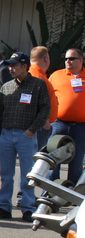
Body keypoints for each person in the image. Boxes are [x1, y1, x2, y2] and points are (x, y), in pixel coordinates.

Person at [0, 52, 50, 221]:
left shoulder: (38, 85)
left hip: (26, 135)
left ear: (24, 66)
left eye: (14, 65)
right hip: (7, 134)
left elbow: (45, 108)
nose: (11, 68)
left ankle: (28, 207)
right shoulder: (7, 86)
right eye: (10, 65)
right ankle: (4, 207)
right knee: (6, 174)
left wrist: (32, 130)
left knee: (28, 174)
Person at [48, 48, 85, 185]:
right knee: (53, 158)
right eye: (66, 59)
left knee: (77, 161)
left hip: (81, 126)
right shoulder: (56, 75)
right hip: (59, 123)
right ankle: (49, 190)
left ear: (81, 60)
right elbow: (46, 98)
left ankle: (73, 193)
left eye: (71, 59)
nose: (67, 61)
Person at [29, 46, 57, 149]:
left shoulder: (35, 73)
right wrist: (45, 123)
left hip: (39, 125)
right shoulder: (38, 77)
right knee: (39, 159)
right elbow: (37, 102)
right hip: (40, 127)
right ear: (46, 59)